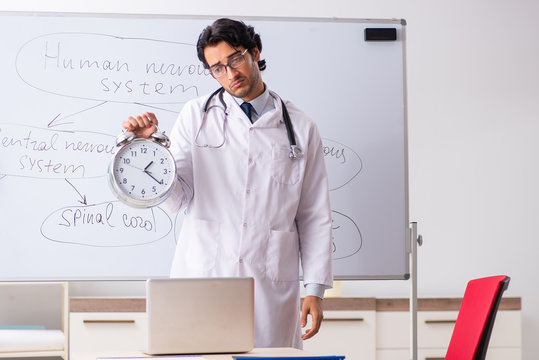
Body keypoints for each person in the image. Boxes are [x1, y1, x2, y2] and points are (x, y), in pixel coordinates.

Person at [122, 18, 333, 348]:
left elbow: (314, 214)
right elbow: (177, 199)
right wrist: (150, 151)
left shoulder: (302, 127)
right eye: (217, 68)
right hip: (204, 275)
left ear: (254, 52)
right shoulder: (196, 115)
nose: (230, 74)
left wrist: (315, 290)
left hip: (269, 282)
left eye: (234, 59)